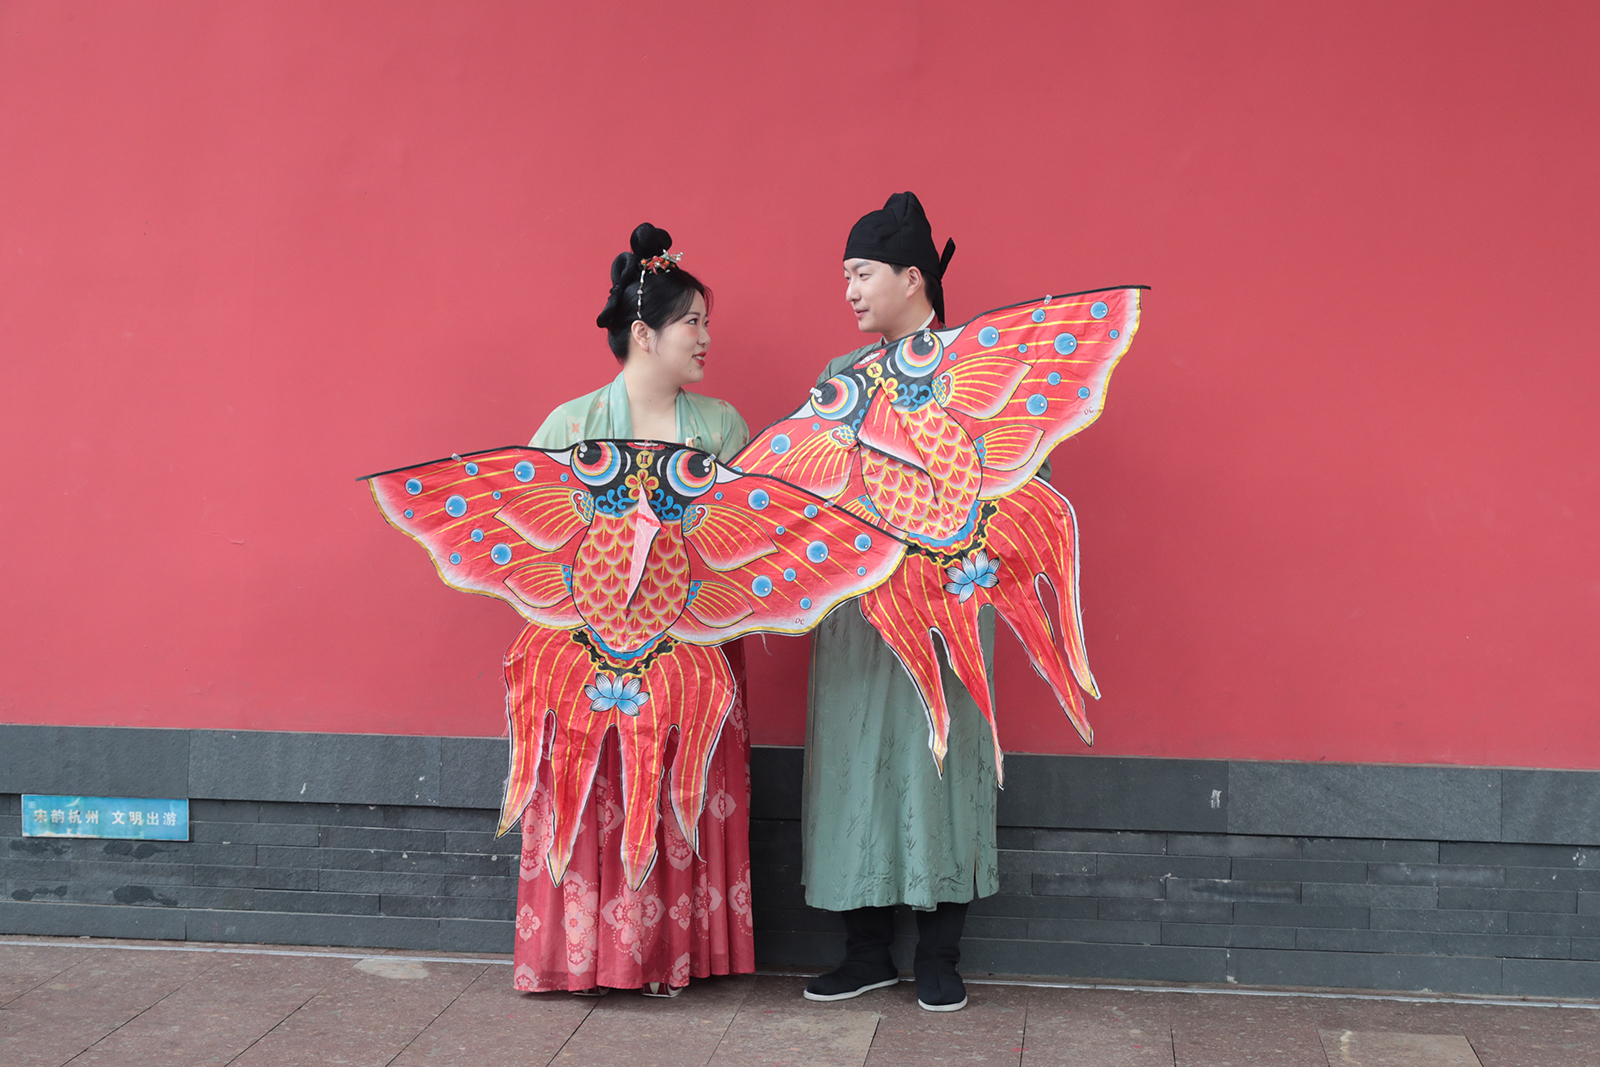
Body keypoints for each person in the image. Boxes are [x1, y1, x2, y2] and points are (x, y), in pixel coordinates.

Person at [801, 192, 1030, 1013]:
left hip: (946, 606)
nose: (852, 291)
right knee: (857, 762)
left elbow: (1014, 480)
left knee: (945, 759)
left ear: (913, 276)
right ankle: (864, 950)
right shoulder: (839, 382)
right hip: (859, 610)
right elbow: (805, 486)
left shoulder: (976, 372)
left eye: (862, 274)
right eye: (847, 276)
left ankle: (941, 951)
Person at [512, 223, 755, 996]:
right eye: (693, 322)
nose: (706, 337)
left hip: (689, 649)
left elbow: (747, 540)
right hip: (590, 655)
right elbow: (531, 545)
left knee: (675, 790)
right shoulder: (570, 428)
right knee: (598, 796)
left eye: (706, 323)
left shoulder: (721, 428)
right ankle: (585, 957)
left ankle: (670, 956)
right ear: (643, 334)